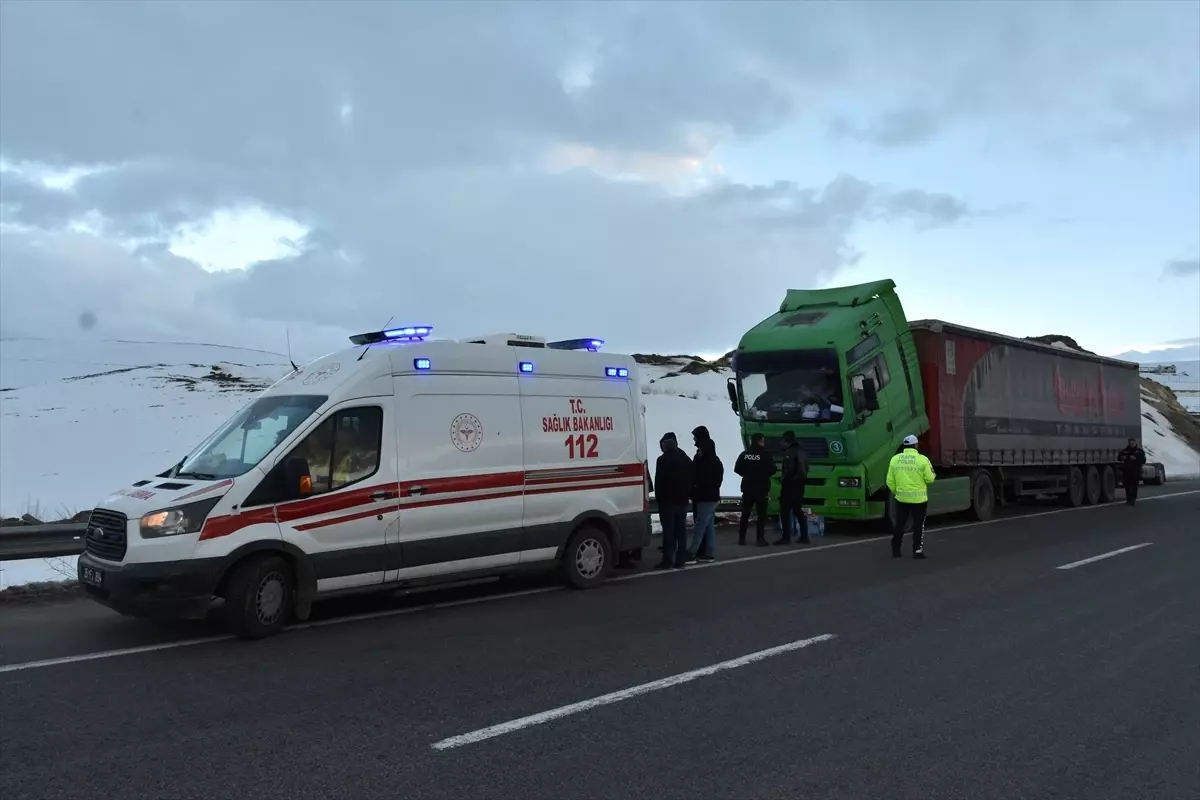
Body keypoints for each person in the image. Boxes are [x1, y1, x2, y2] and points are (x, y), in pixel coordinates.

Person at [886, 434, 936, 559]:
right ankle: (917, 550)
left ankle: (896, 549)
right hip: (919, 500)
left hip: (901, 499)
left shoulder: (895, 459)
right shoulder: (922, 460)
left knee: (900, 524)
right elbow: (930, 479)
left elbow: (889, 481)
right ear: (916, 445)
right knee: (918, 525)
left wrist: (897, 492)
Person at [654, 432, 694, 570]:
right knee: (681, 530)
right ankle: (680, 559)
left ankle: (667, 560)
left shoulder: (663, 460)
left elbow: (659, 483)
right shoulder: (686, 459)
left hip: (667, 502)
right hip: (682, 500)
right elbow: (691, 480)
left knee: (669, 532)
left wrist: (660, 500)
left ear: (665, 445)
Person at [734, 432, 776, 546]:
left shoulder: (745, 454)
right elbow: (773, 470)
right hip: (761, 488)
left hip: (747, 487)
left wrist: (747, 475)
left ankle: (741, 539)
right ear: (760, 440)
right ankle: (760, 539)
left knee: (745, 513)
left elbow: (737, 469)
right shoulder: (765, 455)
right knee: (761, 515)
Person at [689, 434, 724, 563]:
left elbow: (699, 477)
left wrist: (696, 487)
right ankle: (708, 553)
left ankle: (692, 552)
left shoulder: (706, 463)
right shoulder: (716, 461)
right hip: (712, 497)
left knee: (700, 525)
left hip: (705, 497)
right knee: (708, 525)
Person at [775, 431, 810, 545]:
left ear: (786, 441)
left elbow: (789, 470)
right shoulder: (802, 451)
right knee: (798, 510)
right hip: (800, 484)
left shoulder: (790, 452)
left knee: (785, 511)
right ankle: (804, 536)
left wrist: (784, 480)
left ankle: (786, 537)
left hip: (790, 485)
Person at [1117, 437, 1147, 506]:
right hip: (1126, 471)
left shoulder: (1139, 451)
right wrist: (1122, 458)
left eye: (1133, 444)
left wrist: (1136, 459)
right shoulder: (1125, 451)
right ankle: (1128, 499)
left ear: (1135, 443)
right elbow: (1119, 457)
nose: (1131, 445)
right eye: (1130, 443)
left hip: (1135, 472)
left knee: (1134, 486)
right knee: (1127, 486)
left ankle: (1133, 499)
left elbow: (1143, 460)